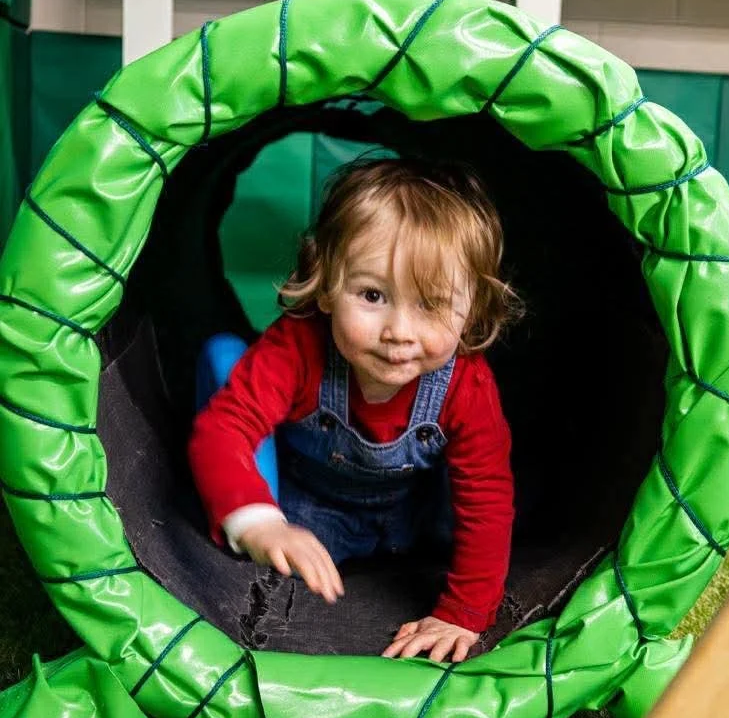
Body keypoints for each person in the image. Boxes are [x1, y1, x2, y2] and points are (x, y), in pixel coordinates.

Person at [188, 158, 522, 664]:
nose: (399, 332)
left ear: (471, 309)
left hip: (415, 517)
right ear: (325, 285)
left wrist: (462, 613)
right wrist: (261, 523)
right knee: (224, 362)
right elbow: (225, 428)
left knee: (496, 500)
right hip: (308, 517)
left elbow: (486, 495)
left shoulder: (465, 381)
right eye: (372, 295)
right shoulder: (298, 348)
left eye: (431, 304)